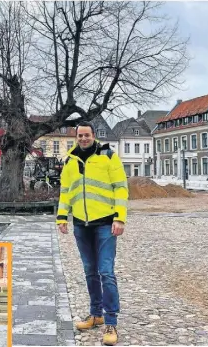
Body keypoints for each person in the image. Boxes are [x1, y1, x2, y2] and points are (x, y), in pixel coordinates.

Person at [56, 121, 128, 346]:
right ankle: (95, 314)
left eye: (87, 135)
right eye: (80, 135)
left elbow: (120, 187)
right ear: (76, 137)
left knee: (106, 272)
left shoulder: (107, 155)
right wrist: (61, 216)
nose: (84, 139)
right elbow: (65, 191)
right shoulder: (70, 160)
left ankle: (111, 321)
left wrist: (120, 217)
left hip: (106, 223)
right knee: (89, 272)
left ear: (93, 136)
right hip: (81, 224)